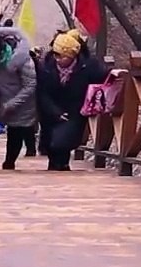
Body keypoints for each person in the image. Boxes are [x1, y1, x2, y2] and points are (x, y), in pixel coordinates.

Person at [36, 30, 109, 171]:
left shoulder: (87, 66)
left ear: (72, 55)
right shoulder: (46, 66)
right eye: (56, 55)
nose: (57, 59)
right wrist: (54, 112)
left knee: (62, 141)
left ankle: (62, 164)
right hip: (51, 110)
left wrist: (117, 77)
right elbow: (42, 92)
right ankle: (58, 166)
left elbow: (103, 78)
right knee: (50, 142)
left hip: (75, 109)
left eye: (62, 56)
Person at [0, 25, 39, 170]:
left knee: (15, 134)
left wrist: (12, 104)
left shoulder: (23, 60)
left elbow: (30, 85)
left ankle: (9, 163)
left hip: (21, 103)